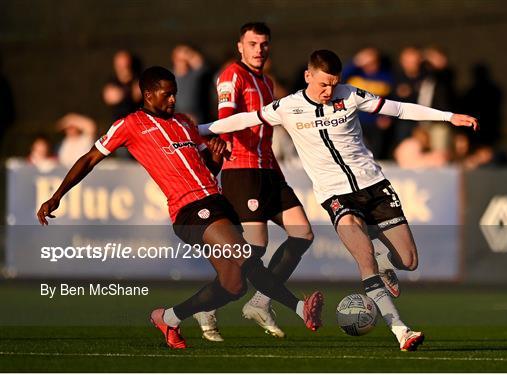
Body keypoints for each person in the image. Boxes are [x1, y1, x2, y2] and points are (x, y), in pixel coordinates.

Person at [199, 50, 479, 351]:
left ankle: (386, 261)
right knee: (364, 261)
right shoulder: (288, 106)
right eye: (322, 84)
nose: (328, 92)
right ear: (308, 76)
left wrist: (449, 117)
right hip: (336, 196)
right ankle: (401, 330)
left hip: (375, 187)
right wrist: (195, 131)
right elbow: (243, 119)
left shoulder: (351, 95)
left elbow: (397, 109)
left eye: (333, 84)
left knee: (408, 261)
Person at [36, 66, 323, 349]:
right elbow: (89, 158)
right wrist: (58, 194)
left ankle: (169, 318)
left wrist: (215, 157)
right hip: (189, 210)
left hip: (216, 200)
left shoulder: (185, 122)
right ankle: (300, 309)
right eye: (167, 95)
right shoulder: (130, 124)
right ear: (147, 95)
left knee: (233, 285)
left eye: (175, 94)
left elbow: (206, 167)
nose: (173, 100)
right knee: (243, 254)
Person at [193, 22, 314, 341]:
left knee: (302, 233)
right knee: (254, 248)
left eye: (264, 44)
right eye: (252, 43)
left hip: (269, 170)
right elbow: (226, 117)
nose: (259, 49)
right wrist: (225, 140)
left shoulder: (266, 82)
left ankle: (260, 302)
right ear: (240, 46)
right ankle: (210, 304)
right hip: (242, 170)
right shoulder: (232, 75)